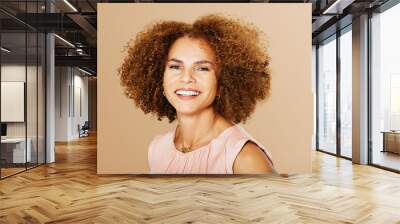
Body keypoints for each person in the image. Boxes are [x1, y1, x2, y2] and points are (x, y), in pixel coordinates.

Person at [118, 14, 275, 174]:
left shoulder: (245, 158)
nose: (186, 78)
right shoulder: (158, 148)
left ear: (223, 81)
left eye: (202, 68)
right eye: (175, 66)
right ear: (160, 76)